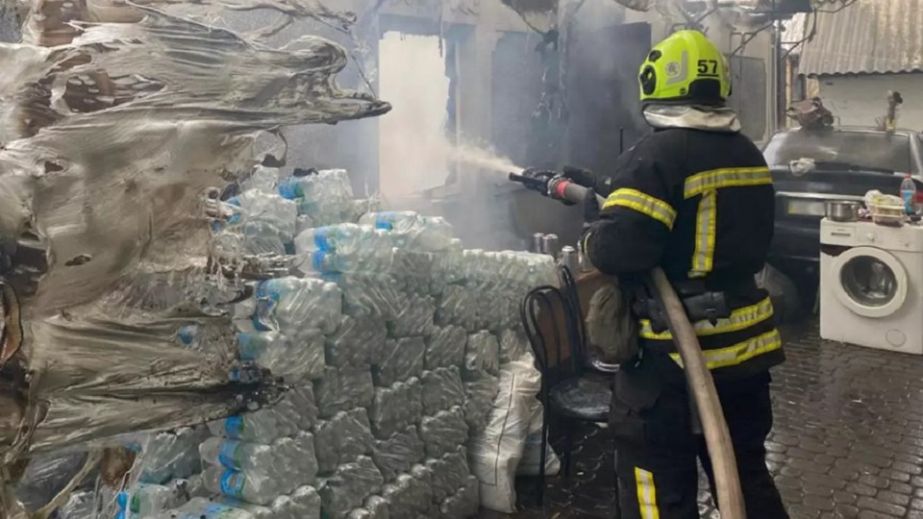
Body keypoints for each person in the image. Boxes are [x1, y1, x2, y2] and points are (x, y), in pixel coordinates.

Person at [569, 30, 789, 518]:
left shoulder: (656, 155)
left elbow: (618, 250)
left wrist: (594, 231)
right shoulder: (747, 152)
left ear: (653, 83)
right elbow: (691, 219)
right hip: (745, 355)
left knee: (657, 486)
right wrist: (608, 191)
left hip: (673, 362)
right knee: (746, 479)